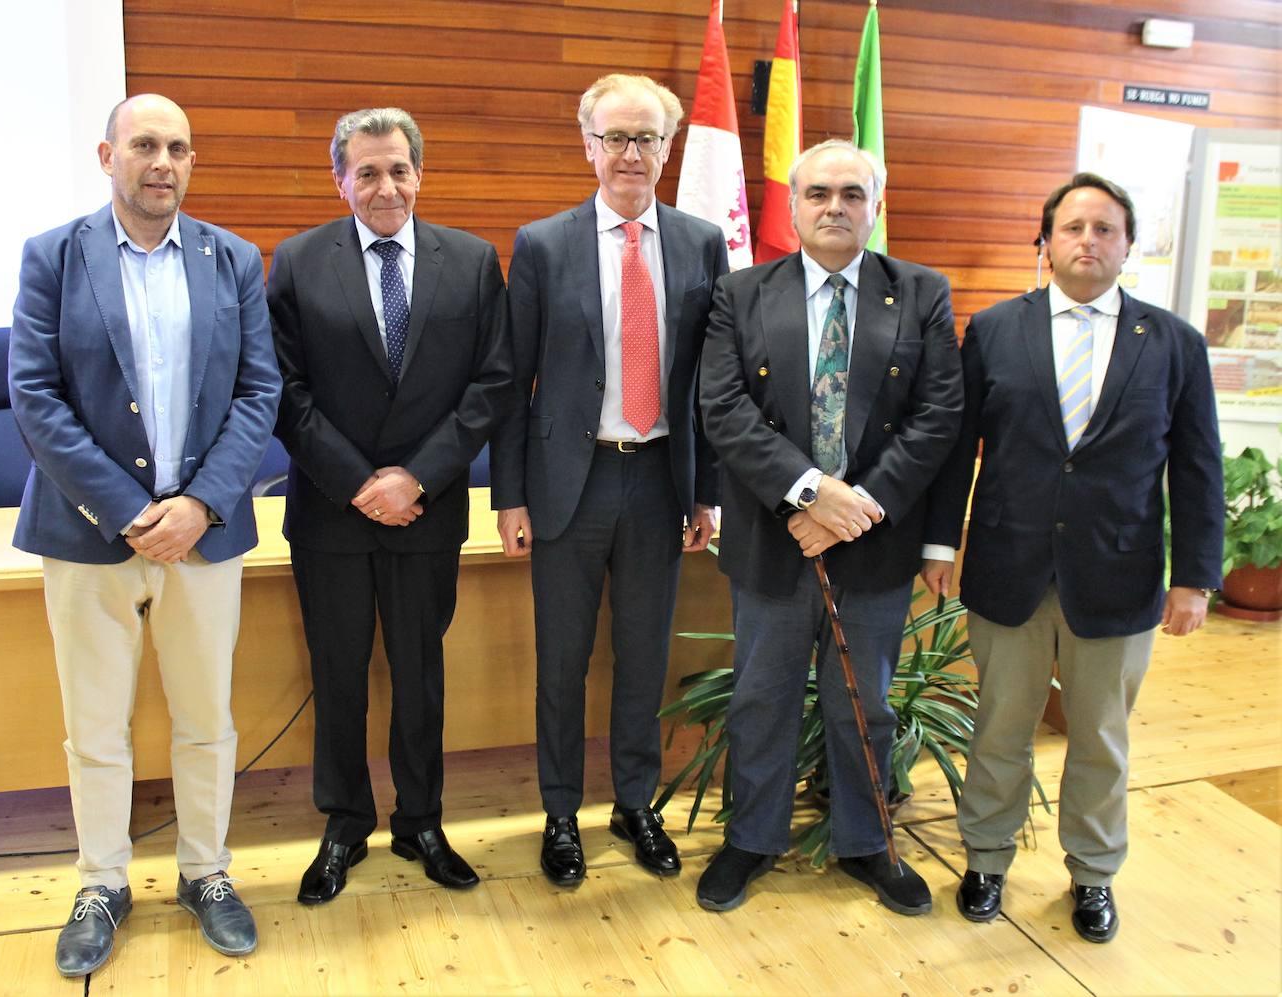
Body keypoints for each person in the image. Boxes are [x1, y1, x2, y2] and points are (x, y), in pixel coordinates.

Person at [9, 93, 281, 976]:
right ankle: (102, 882)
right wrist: (127, 511)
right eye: (146, 145)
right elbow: (35, 397)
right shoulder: (53, 256)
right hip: (89, 534)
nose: (163, 161)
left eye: (180, 148)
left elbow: (258, 391)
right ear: (107, 155)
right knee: (95, 724)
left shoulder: (233, 259)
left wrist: (199, 503)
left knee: (207, 720)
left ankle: (206, 871)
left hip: (203, 533)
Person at [922, 172, 1224, 943]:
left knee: (1101, 738)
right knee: (999, 728)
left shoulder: (1174, 343)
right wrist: (938, 542)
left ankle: (1093, 872)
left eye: (1105, 229)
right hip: (1008, 568)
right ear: (1045, 242)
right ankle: (986, 857)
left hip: (1118, 576)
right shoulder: (993, 331)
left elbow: (1197, 467)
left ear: (1128, 245)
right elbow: (959, 450)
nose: (1088, 241)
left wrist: (1193, 577)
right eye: (1073, 228)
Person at [696, 139, 962, 914]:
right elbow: (723, 409)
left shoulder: (920, 291)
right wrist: (812, 495)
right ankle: (752, 839)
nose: (835, 206)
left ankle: (866, 840)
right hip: (774, 537)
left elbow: (939, 412)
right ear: (792, 205)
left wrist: (855, 508)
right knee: (761, 699)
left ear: (875, 204)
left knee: (865, 704)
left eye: (852, 192)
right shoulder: (740, 293)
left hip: (872, 543)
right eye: (818, 193)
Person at [267, 107, 511, 905]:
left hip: (428, 509)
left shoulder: (472, 263)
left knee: (419, 671)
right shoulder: (298, 263)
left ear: (419, 173)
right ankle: (343, 822)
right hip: (333, 514)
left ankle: (422, 819)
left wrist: (418, 477)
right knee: (337, 672)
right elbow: (285, 391)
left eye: (399, 168)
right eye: (366, 171)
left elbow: (491, 384)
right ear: (341, 178)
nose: (385, 186)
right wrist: (358, 482)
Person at [489, 73, 728, 886]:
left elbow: (711, 381)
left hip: (662, 479)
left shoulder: (700, 243)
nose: (631, 153)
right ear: (588, 145)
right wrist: (510, 493)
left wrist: (709, 490)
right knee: (561, 660)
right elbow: (511, 379)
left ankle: (636, 803)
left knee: (642, 654)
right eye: (616, 138)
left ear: (668, 148)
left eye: (647, 138)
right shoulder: (544, 243)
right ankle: (561, 812)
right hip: (570, 481)